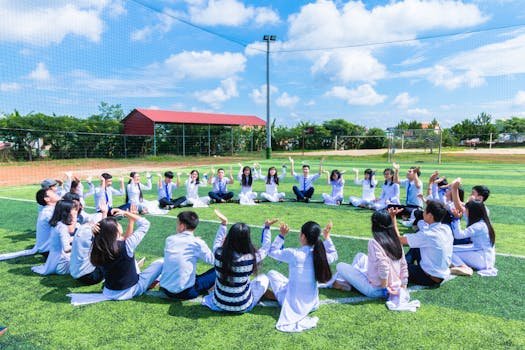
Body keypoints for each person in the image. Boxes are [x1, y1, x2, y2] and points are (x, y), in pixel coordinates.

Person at [266, 220, 338, 332]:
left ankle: (277, 297)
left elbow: (271, 251)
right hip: (313, 303)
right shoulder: (321, 256)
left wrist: (281, 235)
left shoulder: (294, 254)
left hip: (293, 304)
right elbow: (334, 255)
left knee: (272, 273)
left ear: (303, 236)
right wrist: (327, 237)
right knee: (287, 282)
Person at [202, 210, 277, 313]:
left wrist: (224, 224)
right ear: (247, 239)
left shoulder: (218, 253)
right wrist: (267, 228)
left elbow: (218, 241)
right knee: (264, 278)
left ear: (229, 237)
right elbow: (265, 248)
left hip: (218, 303)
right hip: (242, 306)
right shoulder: (251, 258)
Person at [89, 209, 163, 301]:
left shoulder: (98, 245)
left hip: (108, 291)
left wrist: (131, 221)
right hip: (131, 291)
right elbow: (145, 224)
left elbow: (122, 239)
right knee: (161, 262)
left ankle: (142, 276)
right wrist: (126, 213)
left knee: (129, 258)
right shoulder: (127, 245)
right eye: (117, 223)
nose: (119, 224)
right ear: (115, 230)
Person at [333, 210, 408, 298]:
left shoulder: (374, 242)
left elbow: (384, 266)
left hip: (376, 290)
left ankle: (347, 283)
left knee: (340, 265)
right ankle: (349, 283)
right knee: (360, 256)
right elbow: (404, 265)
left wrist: (384, 290)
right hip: (394, 286)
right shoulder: (396, 241)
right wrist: (403, 287)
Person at [392, 201, 453, 287]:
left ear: (430, 216)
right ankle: (405, 263)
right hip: (441, 273)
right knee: (416, 247)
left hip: (429, 278)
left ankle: (402, 265)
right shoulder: (446, 228)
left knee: (393, 266)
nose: (422, 212)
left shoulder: (428, 235)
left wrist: (393, 217)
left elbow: (398, 239)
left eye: (425, 211)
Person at [159, 211, 216, 300]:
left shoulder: (169, 239)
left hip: (165, 289)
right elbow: (214, 261)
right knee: (219, 269)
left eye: (177, 223)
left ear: (182, 226)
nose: (176, 226)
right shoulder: (198, 243)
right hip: (186, 293)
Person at [32, 199, 80, 275]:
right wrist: (79, 244)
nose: (75, 211)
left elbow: (62, 241)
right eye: (73, 209)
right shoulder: (62, 227)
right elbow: (67, 249)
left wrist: (75, 239)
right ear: (67, 212)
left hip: (55, 261)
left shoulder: (57, 224)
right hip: (62, 265)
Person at [450, 200, 497, 276]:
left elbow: (458, 235)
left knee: (449, 251)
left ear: (473, 212)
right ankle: (458, 264)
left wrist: (456, 219)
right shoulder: (484, 221)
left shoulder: (479, 226)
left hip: (482, 259)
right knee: (451, 248)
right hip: (484, 256)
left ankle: (463, 267)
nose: (465, 211)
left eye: (467, 209)